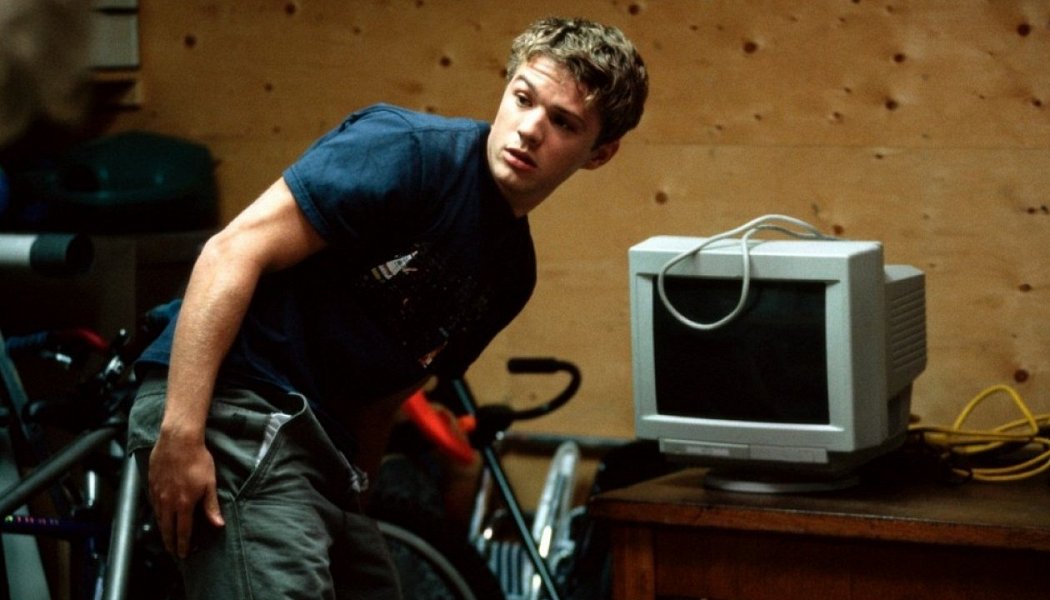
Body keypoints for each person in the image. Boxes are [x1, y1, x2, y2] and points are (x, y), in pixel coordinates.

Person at [127, 16, 648, 599]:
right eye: (523, 99)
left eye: (563, 123)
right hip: (234, 402)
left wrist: (357, 493)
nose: (529, 130)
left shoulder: (510, 274)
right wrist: (181, 433)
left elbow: (392, 391)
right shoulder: (408, 152)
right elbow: (229, 252)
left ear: (599, 154)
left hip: (319, 446)